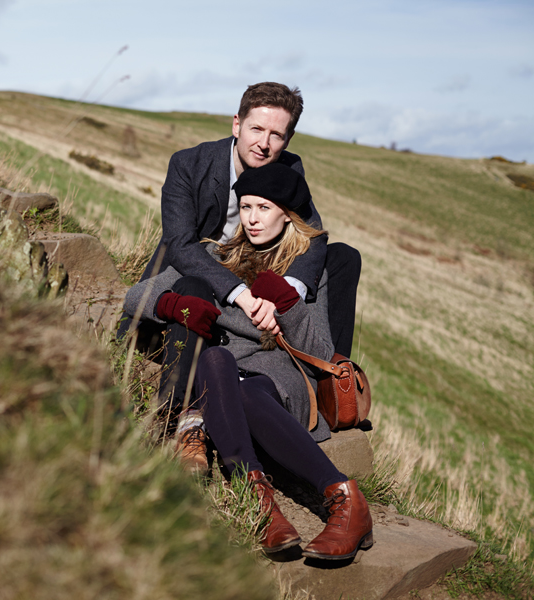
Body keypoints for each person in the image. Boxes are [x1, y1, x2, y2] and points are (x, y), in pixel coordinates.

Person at [123, 163, 373, 560]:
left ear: (287, 214)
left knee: (247, 388)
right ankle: (263, 501)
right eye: (246, 207)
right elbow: (134, 297)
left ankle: (342, 497)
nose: (253, 219)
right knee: (218, 360)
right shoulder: (213, 255)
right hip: (219, 371)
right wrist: (176, 304)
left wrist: (289, 305)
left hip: (281, 378)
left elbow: (323, 353)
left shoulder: (308, 269)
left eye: (264, 208)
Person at [119, 82, 361, 442]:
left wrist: (285, 293)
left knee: (343, 257)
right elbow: (182, 245)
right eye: (256, 129)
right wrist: (241, 294)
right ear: (237, 125)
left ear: (288, 140)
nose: (264, 143)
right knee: (194, 286)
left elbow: (312, 234)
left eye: (276, 134)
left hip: (256, 287)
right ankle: (176, 413)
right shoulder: (188, 164)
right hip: (194, 285)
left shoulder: (290, 167)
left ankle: (331, 381)